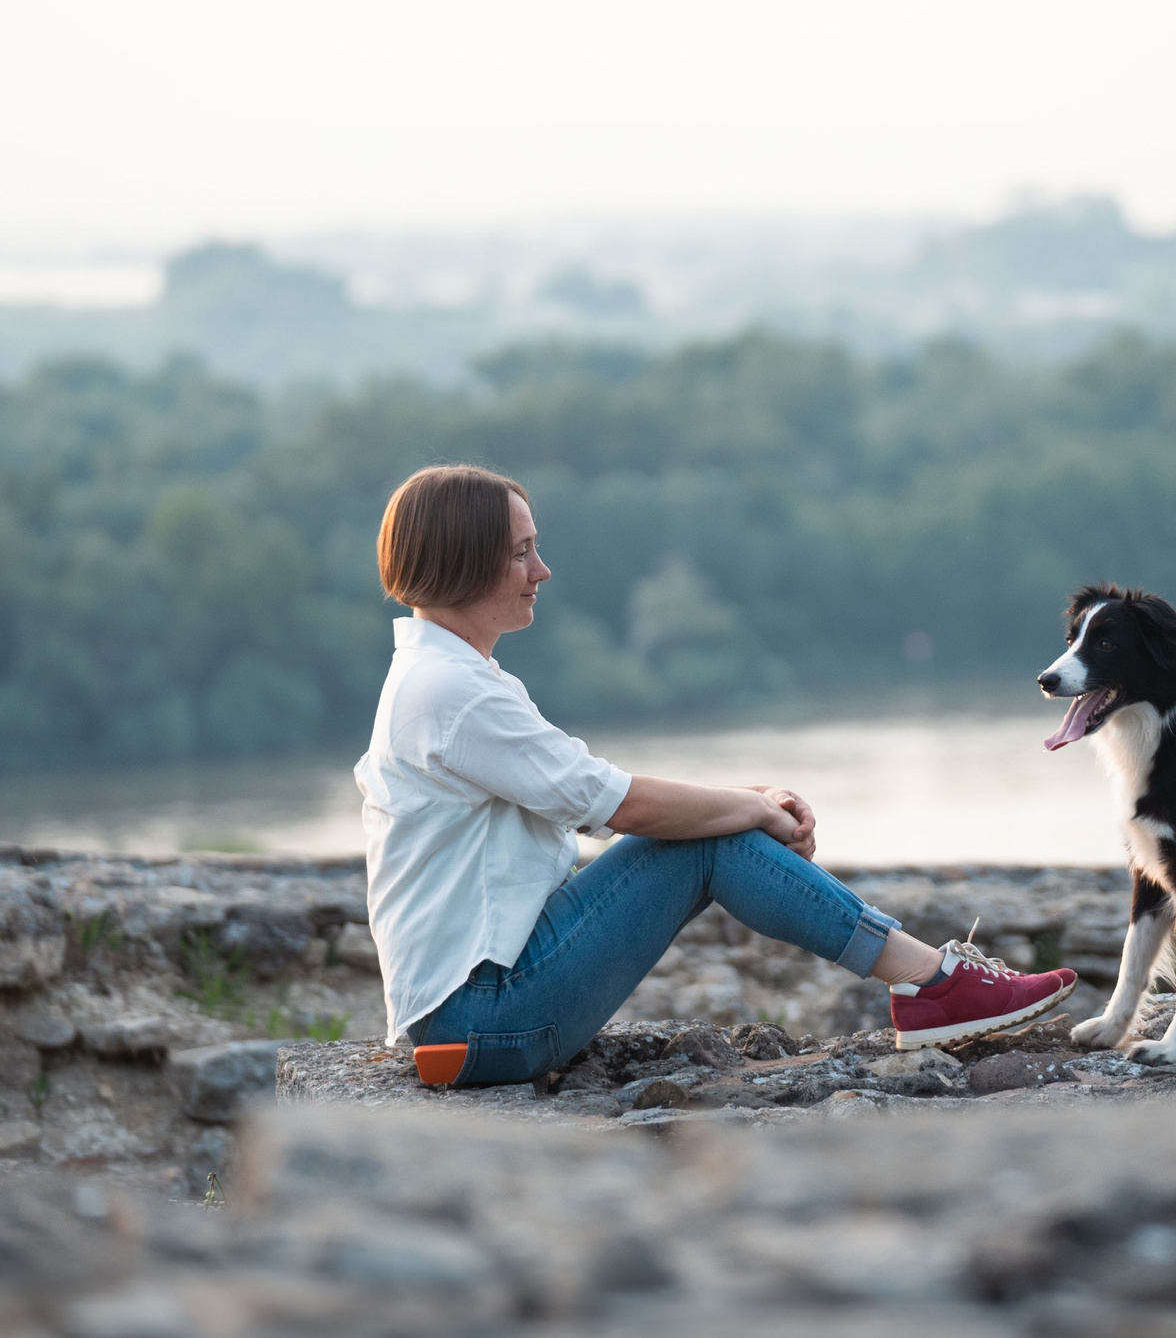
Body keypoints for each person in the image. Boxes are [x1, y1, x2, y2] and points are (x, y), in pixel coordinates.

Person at [358, 464, 1076, 1086]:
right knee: (708, 840)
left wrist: (747, 801)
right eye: (522, 554)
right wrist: (752, 809)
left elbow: (604, 793)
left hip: (477, 1009)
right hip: (482, 1019)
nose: (541, 570)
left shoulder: (446, 676)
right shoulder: (449, 693)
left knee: (710, 830)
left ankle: (932, 982)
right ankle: (934, 983)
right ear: (464, 561)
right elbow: (618, 802)